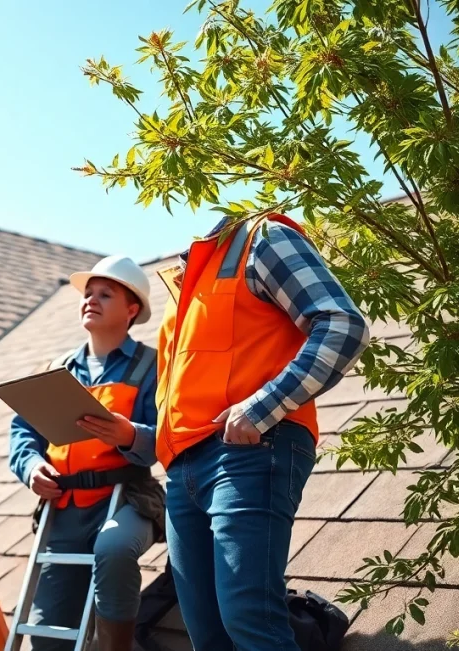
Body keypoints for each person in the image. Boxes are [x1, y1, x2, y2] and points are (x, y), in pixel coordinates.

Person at [156, 212, 369, 650]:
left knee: (251, 622)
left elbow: (343, 325)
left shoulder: (261, 239)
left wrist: (260, 408)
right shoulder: (183, 290)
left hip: (249, 451)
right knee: (208, 634)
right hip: (184, 473)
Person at [8, 255, 164, 651]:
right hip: (64, 509)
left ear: (132, 310)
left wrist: (130, 434)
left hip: (129, 500)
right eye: (88, 293)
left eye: (105, 294)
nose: (91, 299)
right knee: (47, 637)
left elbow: (168, 439)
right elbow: (23, 431)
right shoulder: (56, 369)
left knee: (113, 549)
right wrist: (32, 467)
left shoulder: (153, 367)